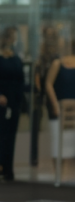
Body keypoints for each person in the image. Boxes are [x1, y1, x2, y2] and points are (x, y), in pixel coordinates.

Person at [0, 27, 27, 181]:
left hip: (15, 101)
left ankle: (9, 169)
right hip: (1, 102)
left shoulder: (16, 59)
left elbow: (21, 81)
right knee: (4, 134)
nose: (12, 40)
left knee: (12, 134)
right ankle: (2, 166)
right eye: (11, 37)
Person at [31, 26, 60, 166]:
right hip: (42, 93)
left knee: (56, 126)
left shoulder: (57, 57)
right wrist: (38, 89)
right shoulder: (42, 56)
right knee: (36, 125)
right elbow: (38, 75)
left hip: (53, 94)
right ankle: (34, 157)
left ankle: (57, 158)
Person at [46, 39, 75, 168]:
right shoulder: (58, 63)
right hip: (59, 109)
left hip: (73, 110)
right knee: (58, 142)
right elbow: (48, 84)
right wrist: (55, 105)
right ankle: (59, 172)